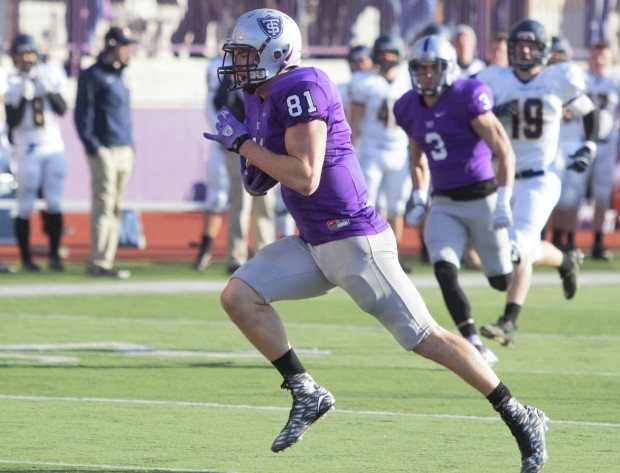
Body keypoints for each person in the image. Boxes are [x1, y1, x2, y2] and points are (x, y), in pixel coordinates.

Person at [203, 9, 548, 472]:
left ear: (277, 52)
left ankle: (519, 413)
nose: (238, 64)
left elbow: (305, 177)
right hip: (311, 240)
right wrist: (248, 151)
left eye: (245, 54)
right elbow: (259, 181)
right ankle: (305, 390)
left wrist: (244, 145)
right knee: (238, 296)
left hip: (353, 238)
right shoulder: (261, 94)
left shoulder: (299, 85)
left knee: (427, 338)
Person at [393, 35, 515, 367]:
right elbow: (416, 156)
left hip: (483, 197)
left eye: (432, 68)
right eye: (420, 68)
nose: (426, 75)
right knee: (444, 269)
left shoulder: (468, 96)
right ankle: (473, 341)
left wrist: (504, 200)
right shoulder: (406, 106)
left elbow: (503, 150)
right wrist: (419, 195)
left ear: (448, 69)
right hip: (444, 201)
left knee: (501, 280)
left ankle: (518, 250)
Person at [477, 20, 598, 348]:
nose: (525, 52)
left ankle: (508, 322)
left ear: (544, 50)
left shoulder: (558, 79)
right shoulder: (494, 79)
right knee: (510, 250)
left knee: (517, 248)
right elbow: (465, 105)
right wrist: (489, 111)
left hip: (540, 179)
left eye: (531, 47)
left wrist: (589, 145)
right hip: (501, 178)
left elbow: (588, 111)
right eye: (519, 47)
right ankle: (565, 259)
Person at [194, 58, 275, 272]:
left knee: (265, 202)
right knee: (241, 201)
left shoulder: (269, 76)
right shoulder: (229, 83)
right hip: (242, 145)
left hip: (266, 143)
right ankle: (236, 255)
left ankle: (263, 252)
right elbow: (221, 105)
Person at [74, 26, 136, 279]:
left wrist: (131, 145)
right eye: (124, 45)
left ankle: (106, 259)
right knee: (104, 203)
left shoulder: (121, 75)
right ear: (112, 45)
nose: (128, 50)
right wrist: (93, 146)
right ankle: (98, 261)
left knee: (116, 206)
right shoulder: (93, 75)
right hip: (105, 149)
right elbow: (83, 114)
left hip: (123, 148)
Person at [348, 34, 413, 271]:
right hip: (372, 148)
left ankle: (393, 258)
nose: (387, 57)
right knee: (371, 204)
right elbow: (354, 118)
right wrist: (351, 146)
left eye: (391, 53)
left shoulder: (407, 80)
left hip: (399, 148)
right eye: (383, 53)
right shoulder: (365, 81)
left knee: (397, 207)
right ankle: (373, 255)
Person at [4, 34, 68, 272]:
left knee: (53, 202)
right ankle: (26, 259)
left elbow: (62, 109)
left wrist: (47, 90)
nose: (26, 59)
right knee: (25, 204)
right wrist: (23, 97)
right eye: (22, 54)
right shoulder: (11, 81)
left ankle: (54, 255)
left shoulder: (49, 74)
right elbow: (12, 120)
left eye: (30, 54)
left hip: (52, 145)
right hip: (27, 147)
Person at [552, 40, 618, 261]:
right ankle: (565, 239)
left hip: (607, 143)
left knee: (601, 196)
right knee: (571, 193)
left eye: (604, 57)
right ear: (590, 57)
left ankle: (598, 242)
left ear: (611, 59)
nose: (599, 61)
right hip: (581, 141)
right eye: (596, 56)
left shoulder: (615, 81)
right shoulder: (581, 77)